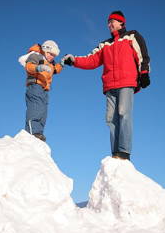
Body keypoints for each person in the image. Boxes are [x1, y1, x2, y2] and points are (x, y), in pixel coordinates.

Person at [61, 11, 150, 160]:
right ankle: (115, 152)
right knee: (110, 119)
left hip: (126, 82)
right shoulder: (105, 44)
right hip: (110, 86)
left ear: (122, 22)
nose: (110, 25)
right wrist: (74, 60)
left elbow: (143, 55)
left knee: (124, 113)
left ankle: (124, 151)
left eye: (113, 21)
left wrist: (144, 73)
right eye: (108, 22)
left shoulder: (132, 36)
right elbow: (92, 60)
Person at [19, 40, 63, 141]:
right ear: (45, 50)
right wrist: (38, 67)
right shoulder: (36, 55)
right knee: (36, 108)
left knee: (43, 111)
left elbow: (55, 70)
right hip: (35, 85)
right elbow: (29, 66)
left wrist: (62, 63)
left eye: (54, 55)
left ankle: (38, 132)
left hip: (45, 89)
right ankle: (32, 132)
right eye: (51, 54)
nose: (52, 57)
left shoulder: (50, 62)